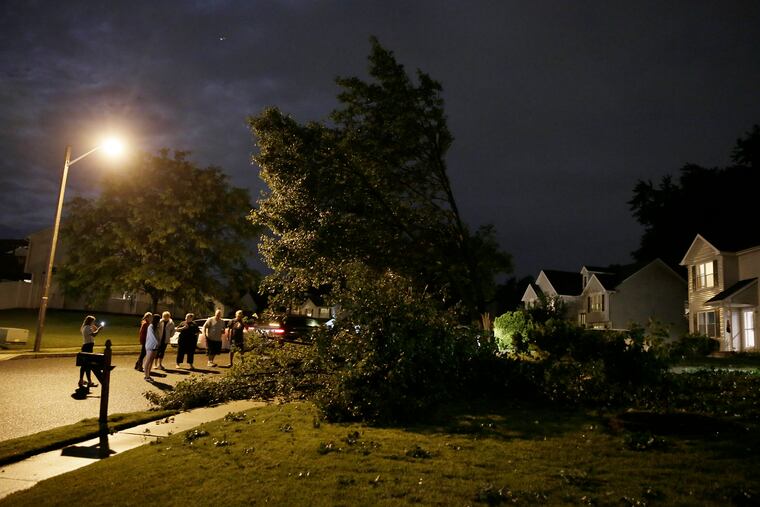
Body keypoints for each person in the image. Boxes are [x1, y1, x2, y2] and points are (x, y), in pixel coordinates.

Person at [79, 315, 103, 388]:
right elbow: (94, 335)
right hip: (88, 347)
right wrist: (99, 329)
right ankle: (88, 381)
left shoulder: (85, 327)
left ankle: (83, 380)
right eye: (93, 321)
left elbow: (92, 333)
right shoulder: (87, 328)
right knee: (88, 365)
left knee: (85, 365)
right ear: (90, 321)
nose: (94, 322)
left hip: (86, 346)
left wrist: (94, 328)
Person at [143, 314, 161, 381]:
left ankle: (148, 374)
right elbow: (152, 336)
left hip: (155, 346)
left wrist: (158, 342)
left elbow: (158, 335)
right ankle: (146, 376)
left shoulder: (157, 327)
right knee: (148, 360)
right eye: (159, 320)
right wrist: (157, 342)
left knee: (151, 360)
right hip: (150, 345)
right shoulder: (151, 326)